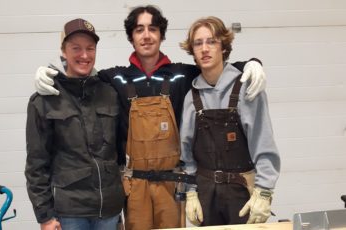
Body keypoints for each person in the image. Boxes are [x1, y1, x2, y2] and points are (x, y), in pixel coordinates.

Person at [33, 5, 267, 230]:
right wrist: (51, 73)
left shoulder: (182, 75)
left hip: (172, 187)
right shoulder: (115, 78)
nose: (146, 35)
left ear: (161, 35)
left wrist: (252, 64)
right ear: (131, 37)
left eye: (153, 29)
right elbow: (80, 75)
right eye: (139, 29)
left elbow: (215, 66)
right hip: (134, 188)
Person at [179, 16, 281, 226]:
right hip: (205, 194)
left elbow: (263, 143)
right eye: (198, 43)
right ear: (192, 51)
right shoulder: (192, 96)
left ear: (223, 46)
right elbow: (186, 152)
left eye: (212, 41)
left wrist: (264, 192)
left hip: (242, 193)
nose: (205, 49)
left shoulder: (245, 87)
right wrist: (190, 192)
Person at [25, 18, 125, 230]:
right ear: (63, 51)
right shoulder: (44, 100)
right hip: (70, 213)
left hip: (109, 208)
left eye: (90, 48)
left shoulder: (110, 93)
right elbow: (36, 165)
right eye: (76, 48)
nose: (85, 55)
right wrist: (45, 216)